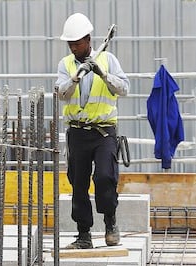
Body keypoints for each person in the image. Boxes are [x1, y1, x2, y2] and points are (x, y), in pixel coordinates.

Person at [55, 13, 130, 249]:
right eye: (71, 44)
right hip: (77, 133)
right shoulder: (66, 65)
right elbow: (61, 94)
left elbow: (124, 88)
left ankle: (110, 221)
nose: (74, 48)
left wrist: (103, 74)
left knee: (105, 177)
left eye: (77, 43)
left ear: (88, 40)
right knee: (78, 183)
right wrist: (76, 78)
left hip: (103, 132)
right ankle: (84, 234)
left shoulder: (107, 59)